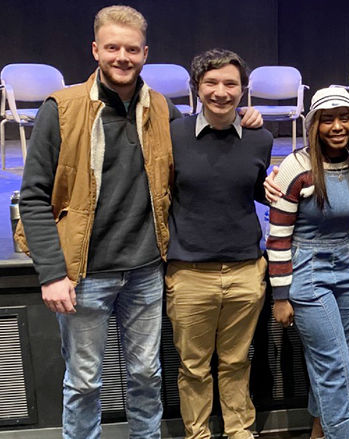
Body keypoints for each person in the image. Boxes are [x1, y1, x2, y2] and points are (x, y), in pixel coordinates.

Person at [16, 6, 262, 438]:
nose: (122, 57)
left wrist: (244, 118)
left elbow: (206, 142)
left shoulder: (161, 110)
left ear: (145, 53)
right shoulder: (62, 108)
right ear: (96, 49)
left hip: (147, 270)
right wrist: (52, 272)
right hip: (84, 273)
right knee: (85, 382)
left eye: (132, 49)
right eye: (112, 48)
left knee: (147, 378)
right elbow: (35, 196)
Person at [165, 48, 272, 439]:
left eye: (231, 83)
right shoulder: (173, 134)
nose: (221, 92)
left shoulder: (260, 137)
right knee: (193, 367)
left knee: (236, 362)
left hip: (245, 269)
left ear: (243, 90)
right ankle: (197, 434)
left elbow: (258, 190)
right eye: (211, 83)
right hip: (190, 272)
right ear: (196, 88)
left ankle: (239, 432)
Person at [266, 87, 349, 439]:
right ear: (314, 125)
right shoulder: (296, 167)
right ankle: (345, 433)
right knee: (333, 364)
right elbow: (277, 236)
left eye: (344, 118)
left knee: (340, 357)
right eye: (327, 119)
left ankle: (319, 431)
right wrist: (280, 295)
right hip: (308, 272)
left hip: (347, 267)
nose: (337, 126)